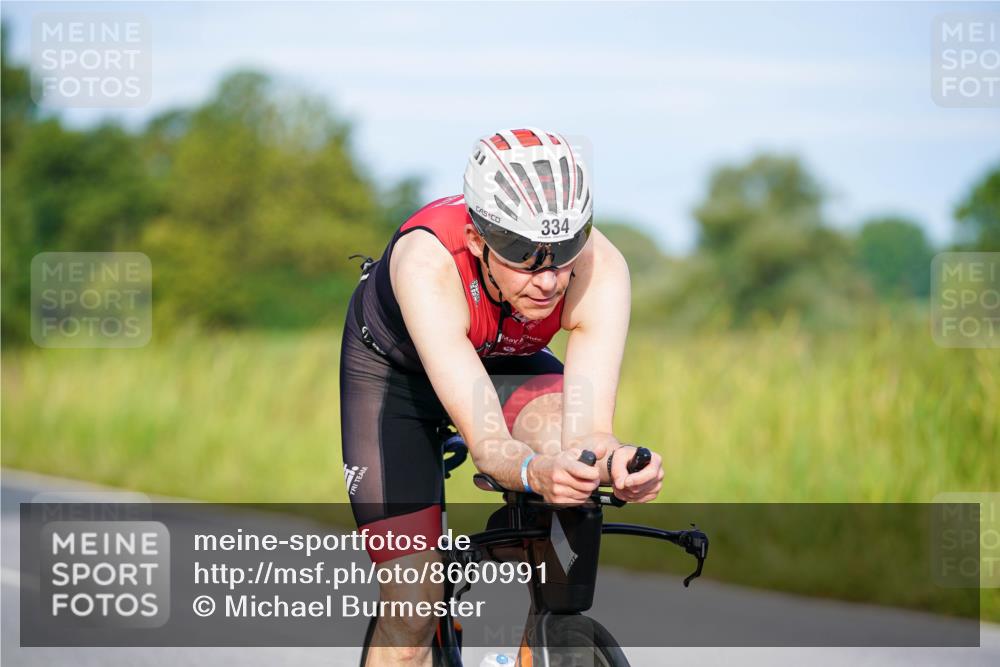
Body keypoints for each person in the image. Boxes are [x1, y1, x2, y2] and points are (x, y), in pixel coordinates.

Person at [340, 127, 664, 666]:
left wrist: (616, 462)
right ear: (477, 242)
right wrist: (536, 472)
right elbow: (491, 445)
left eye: (563, 254)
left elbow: (587, 434)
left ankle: (536, 643)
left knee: (572, 464)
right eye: (525, 258)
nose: (549, 281)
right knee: (413, 606)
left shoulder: (600, 269)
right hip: (396, 379)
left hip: (503, 362)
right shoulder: (429, 263)